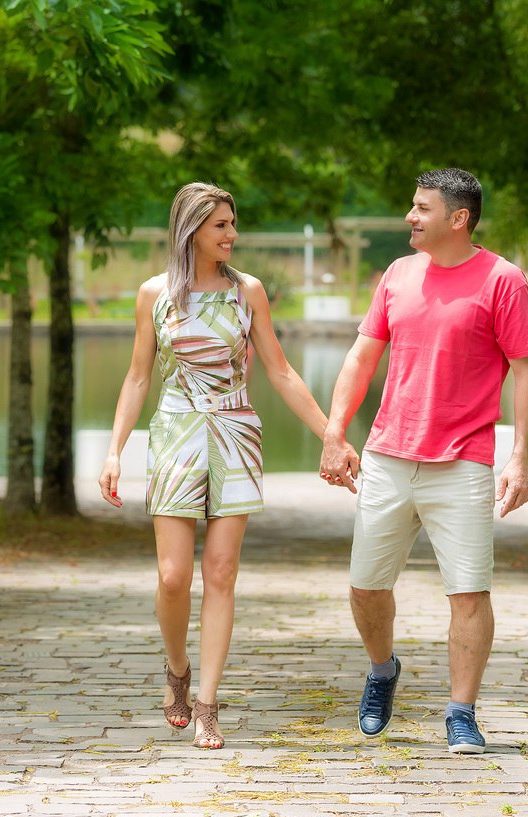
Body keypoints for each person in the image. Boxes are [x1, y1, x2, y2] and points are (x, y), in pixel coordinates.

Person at [99, 182, 336, 749]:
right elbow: (137, 377)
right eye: (221, 225)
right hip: (176, 433)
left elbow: (280, 372)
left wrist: (332, 436)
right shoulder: (153, 294)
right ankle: (176, 669)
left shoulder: (247, 292)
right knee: (173, 576)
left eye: (233, 224)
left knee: (221, 572)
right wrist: (115, 450)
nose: (233, 234)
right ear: (191, 231)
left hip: (235, 433)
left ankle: (207, 703)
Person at [319, 168, 528, 754]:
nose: (409, 217)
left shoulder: (504, 280)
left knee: (468, 591)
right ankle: (382, 670)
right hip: (387, 456)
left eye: (421, 208)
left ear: (458, 218)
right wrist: (334, 433)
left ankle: (461, 711)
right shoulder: (397, 274)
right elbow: (361, 356)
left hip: (464, 459)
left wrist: (519, 457)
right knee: (366, 586)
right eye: (411, 206)